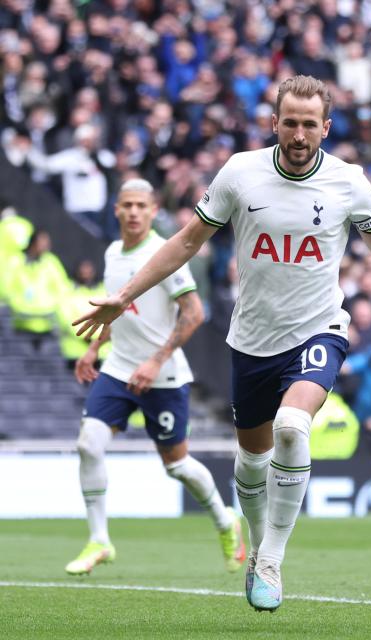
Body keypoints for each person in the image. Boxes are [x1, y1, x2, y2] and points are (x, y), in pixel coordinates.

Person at [74, 76, 371, 611]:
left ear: (325, 129)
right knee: (250, 464)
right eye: (290, 121)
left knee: (293, 427)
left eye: (310, 124)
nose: (299, 132)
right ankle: (257, 541)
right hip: (252, 340)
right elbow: (185, 242)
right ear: (274, 123)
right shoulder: (240, 174)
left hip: (318, 329)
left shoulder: (348, 182)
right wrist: (121, 295)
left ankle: (271, 559)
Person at [66, 178, 245, 576]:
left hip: (162, 375)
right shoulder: (112, 253)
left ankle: (224, 520)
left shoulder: (163, 255)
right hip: (117, 369)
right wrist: (95, 348)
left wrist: (157, 359)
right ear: (116, 210)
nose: (132, 212)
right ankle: (99, 540)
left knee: (177, 465)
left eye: (140, 206)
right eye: (126, 205)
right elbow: (119, 310)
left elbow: (195, 313)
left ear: (152, 211)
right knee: (88, 444)